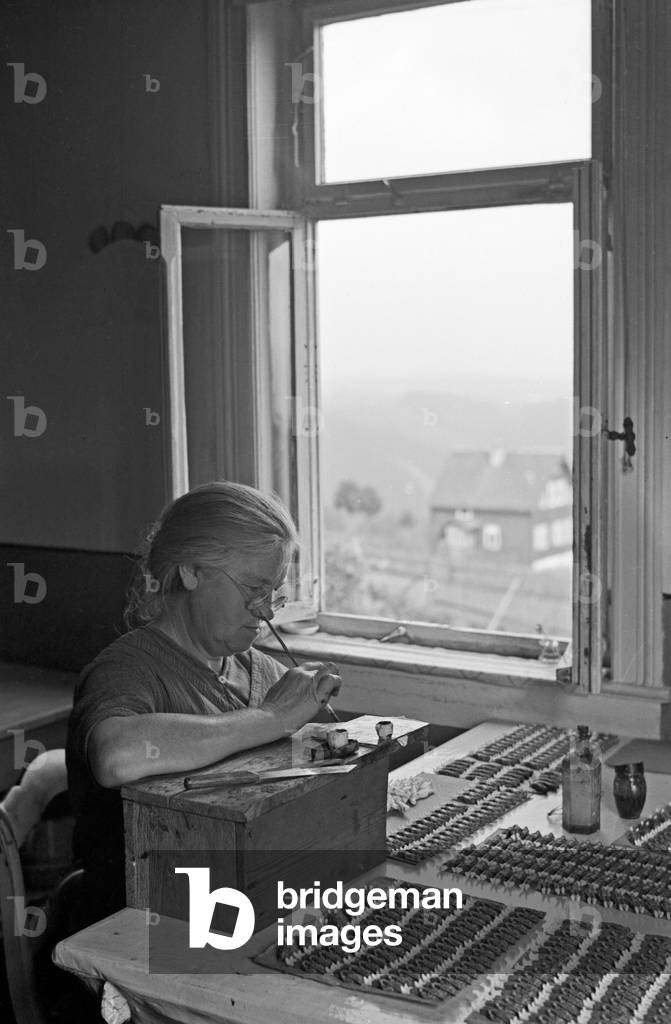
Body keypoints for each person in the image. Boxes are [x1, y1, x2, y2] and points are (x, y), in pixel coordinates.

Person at [65, 481, 341, 930]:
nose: (267, 611)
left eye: (276, 594)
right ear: (192, 572)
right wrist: (271, 718)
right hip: (139, 926)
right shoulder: (127, 670)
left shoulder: (264, 674)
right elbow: (116, 756)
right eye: (254, 590)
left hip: (235, 908)